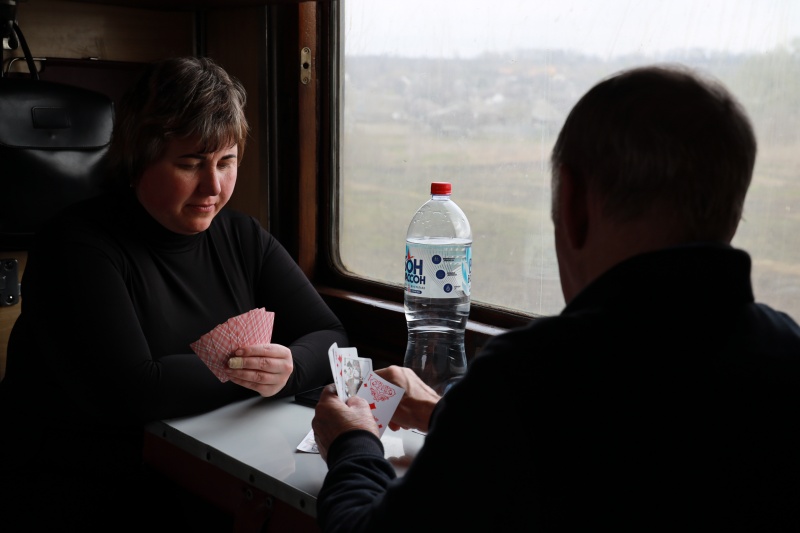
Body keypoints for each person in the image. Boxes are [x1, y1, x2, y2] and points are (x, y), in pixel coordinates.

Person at [311, 64, 800, 531]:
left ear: (571, 202)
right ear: (732, 214)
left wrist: (352, 442)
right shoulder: (785, 353)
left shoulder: (529, 378)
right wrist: (445, 412)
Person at [0, 56, 347, 529]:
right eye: (190, 163)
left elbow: (332, 336)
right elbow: (134, 392)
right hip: (81, 486)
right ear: (139, 156)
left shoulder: (241, 236)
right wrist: (249, 369)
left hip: (192, 468)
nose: (213, 186)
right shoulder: (76, 245)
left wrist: (287, 371)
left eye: (227, 162)